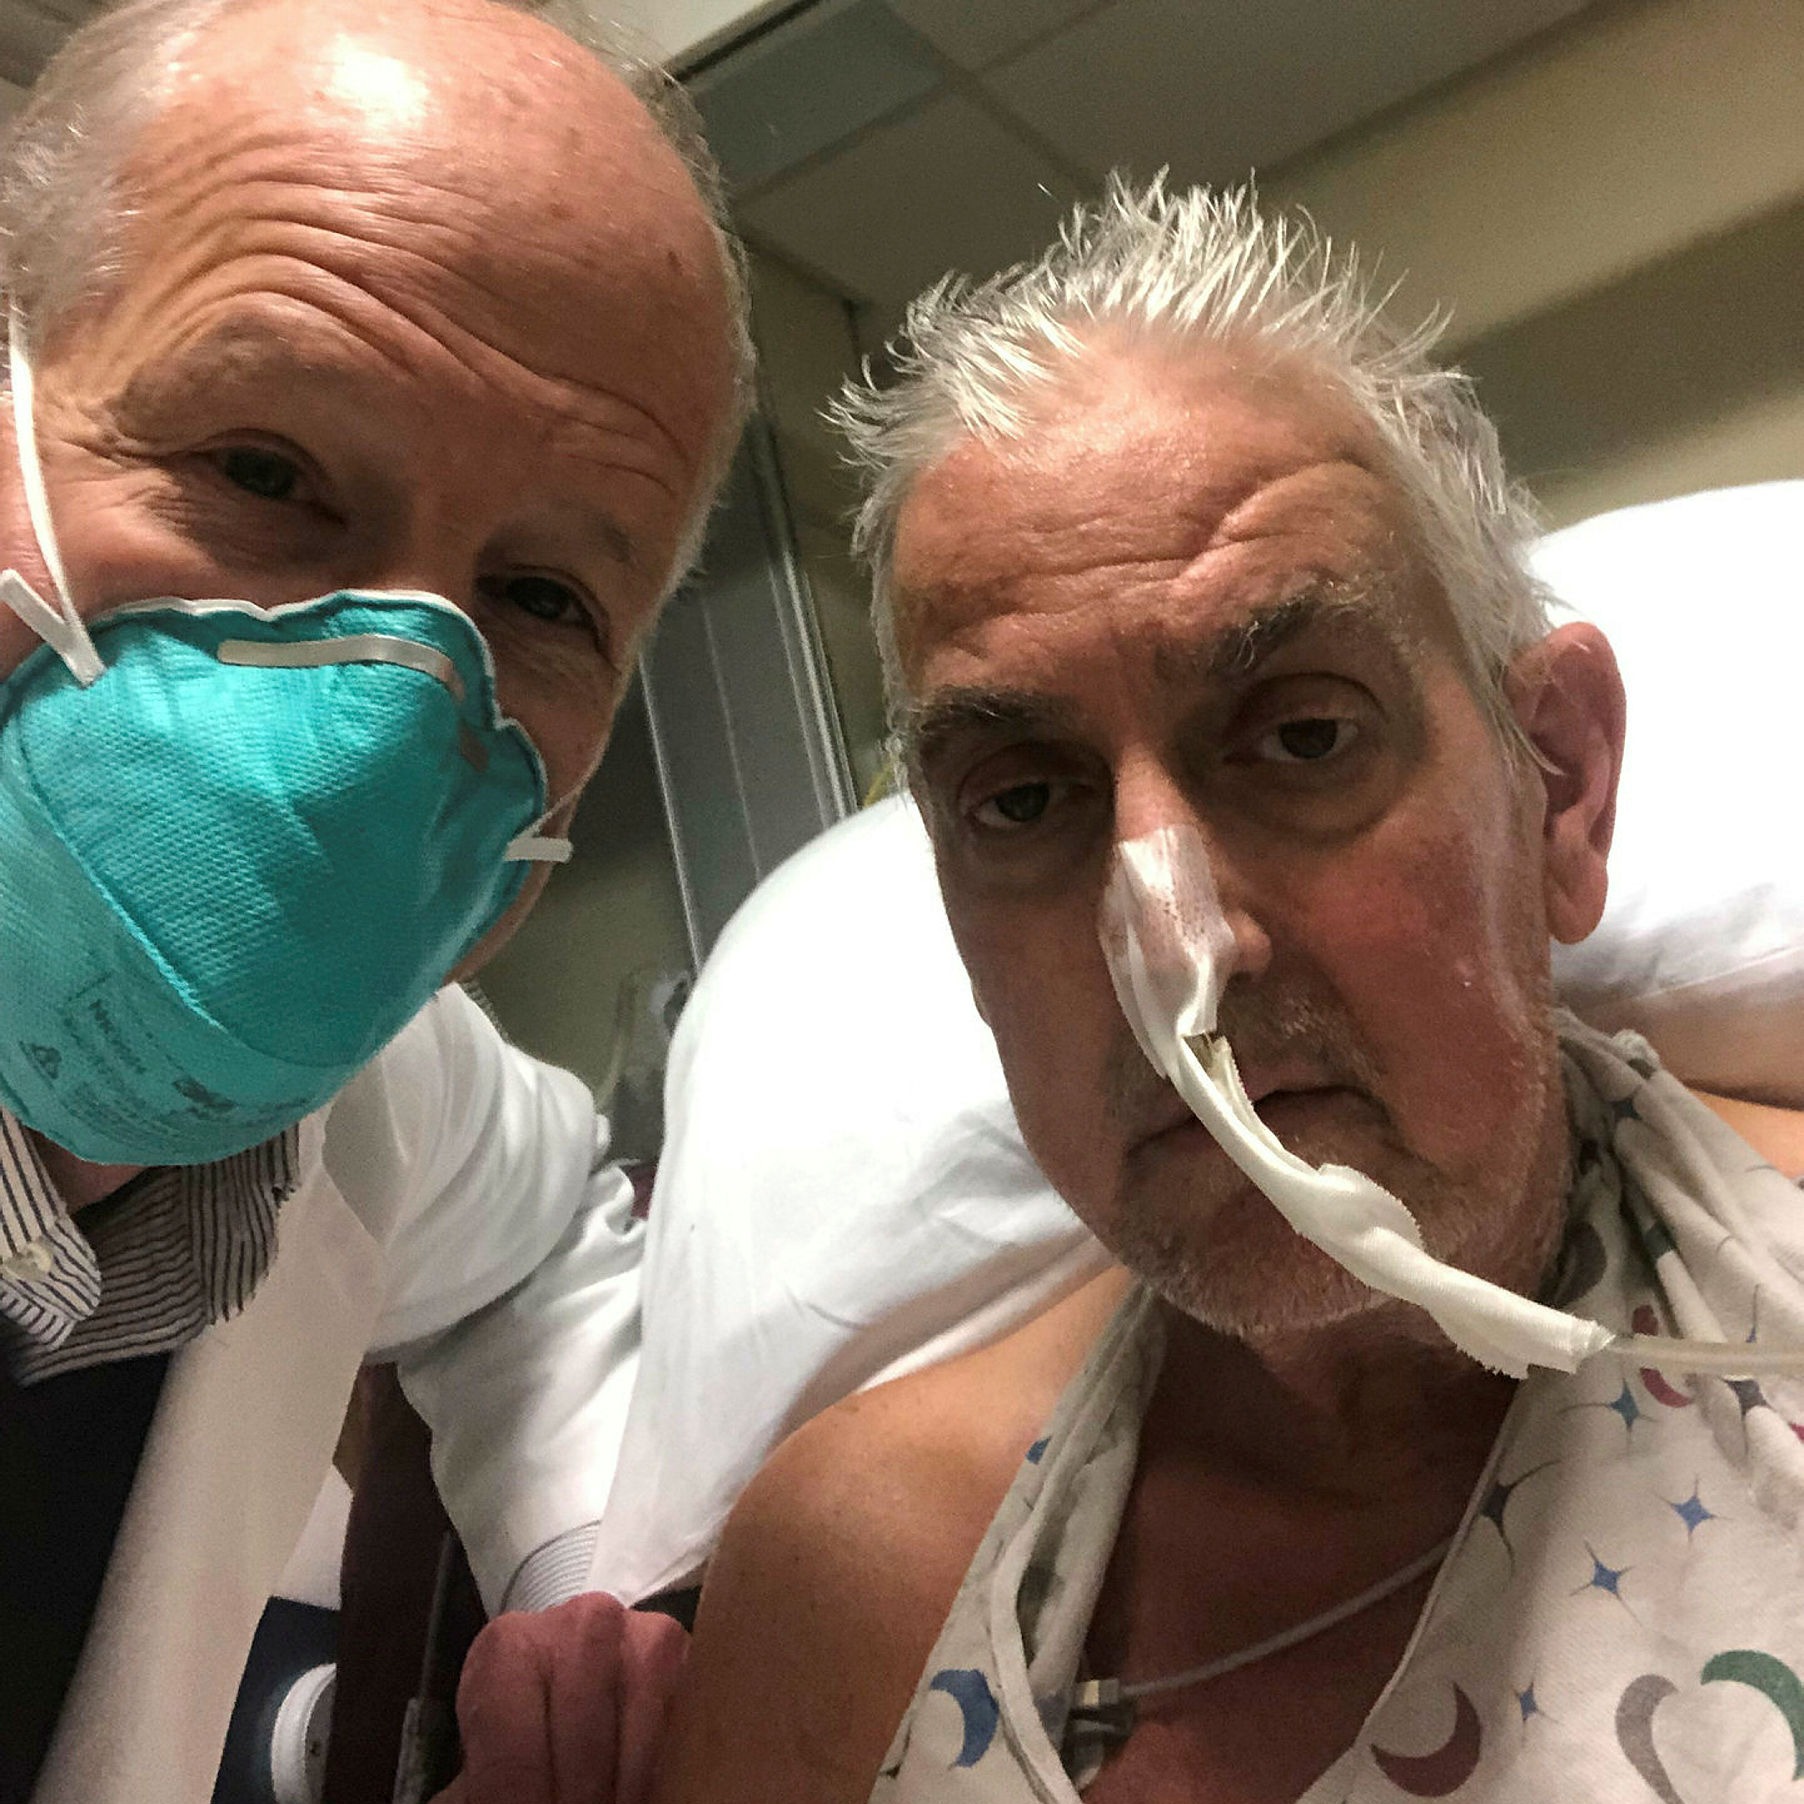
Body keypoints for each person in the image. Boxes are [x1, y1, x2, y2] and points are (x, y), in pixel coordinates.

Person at [650, 183, 1804, 1804]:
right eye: (1025, 800)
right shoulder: (858, 1590)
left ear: (1558, 789)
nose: (1176, 949)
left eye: (1305, 735)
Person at [0, 0, 746, 1799]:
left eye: (549, 599)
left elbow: (550, 1240)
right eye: (265, 472)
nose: (392, 710)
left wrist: (588, 1591)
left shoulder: (383, 1102)